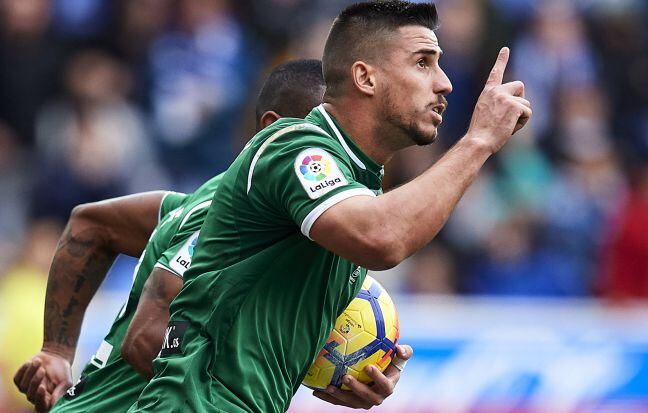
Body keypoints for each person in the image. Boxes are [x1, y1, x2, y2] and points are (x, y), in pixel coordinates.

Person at [129, 2, 531, 412]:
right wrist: (478, 140)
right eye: (423, 63)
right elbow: (382, 239)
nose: (445, 83)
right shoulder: (295, 147)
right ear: (365, 77)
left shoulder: (357, 186)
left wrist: (342, 369)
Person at [14, 60, 409, 413]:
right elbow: (147, 338)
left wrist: (57, 351)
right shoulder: (216, 216)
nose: (331, 159)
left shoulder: (208, 207)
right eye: (321, 136)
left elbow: (92, 226)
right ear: (272, 128)